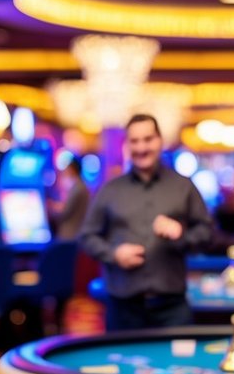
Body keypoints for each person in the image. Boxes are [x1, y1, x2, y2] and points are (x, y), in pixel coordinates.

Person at [79, 114, 214, 331]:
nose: (141, 147)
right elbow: (87, 237)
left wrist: (181, 234)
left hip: (172, 307)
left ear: (160, 140)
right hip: (122, 307)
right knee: (121, 364)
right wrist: (113, 254)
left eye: (148, 139)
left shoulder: (183, 186)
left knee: (178, 366)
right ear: (127, 145)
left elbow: (207, 233)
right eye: (135, 141)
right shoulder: (110, 189)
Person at [48, 157, 90, 241]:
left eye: (67, 170)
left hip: (69, 234)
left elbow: (65, 211)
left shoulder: (78, 188)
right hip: (75, 233)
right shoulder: (80, 186)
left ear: (72, 170)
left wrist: (51, 207)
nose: (65, 173)